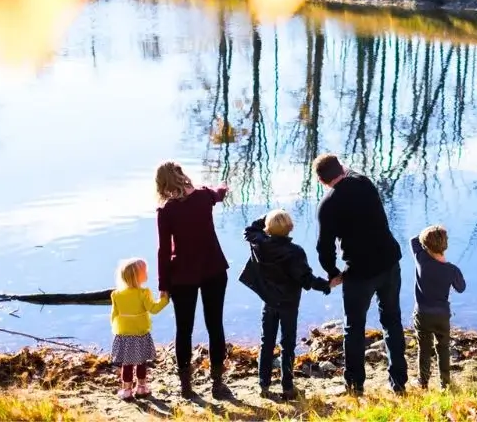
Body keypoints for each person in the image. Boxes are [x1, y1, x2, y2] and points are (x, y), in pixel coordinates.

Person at [313, 153, 408, 395]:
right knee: (392, 320)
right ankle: (399, 382)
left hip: (359, 271)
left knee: (354, 328)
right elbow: (348, 172)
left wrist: (332, 272)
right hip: (389, 261)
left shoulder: (328, 204)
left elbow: (324, 247)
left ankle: (355, 385)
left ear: (321, 181)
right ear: (341, 168)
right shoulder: (364, 182)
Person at [155, 161, 231, 399]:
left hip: (182, 275)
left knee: (184, 330)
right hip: (214, 268)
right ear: (181, 175)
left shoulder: (166, 210)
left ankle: (186, 387)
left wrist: (163, 285)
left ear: (162, 184)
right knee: (215, 325)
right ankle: (217, 384)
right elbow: (218, 194)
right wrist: (222, 186)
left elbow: (163, 250)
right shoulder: (204, 196)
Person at [241, 209, 331, 400]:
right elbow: (306, 279)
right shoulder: (295, 252)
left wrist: (269, 217)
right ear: (290, 228)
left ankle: (263, 385)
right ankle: (287, 387)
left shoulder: (259, 243)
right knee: (288, 344)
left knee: (267, 342)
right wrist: (325, 285)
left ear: (267, 228)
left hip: (269, 300)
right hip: (289, 303)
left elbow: (250, 228)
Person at [411, 225, 466, 390]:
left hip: (422, 314)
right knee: (443, 348)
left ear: (425, 245)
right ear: (445, 245)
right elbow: (461, 288)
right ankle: (445, 384)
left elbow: (413, 240)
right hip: (442, 316)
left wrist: (429, 234)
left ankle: (423, 382)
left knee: (424, 348)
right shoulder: (452, 270)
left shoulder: (421, 259)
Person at [110, 258, 169, 400]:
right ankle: (141, 388)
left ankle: (126, 390)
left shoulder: (116, 294)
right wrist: (164, 299)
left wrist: (117, 331)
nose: (147, 273)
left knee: (127, 364)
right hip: (141, 334)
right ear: (137, 276)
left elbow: (114, 315)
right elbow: (153, 309)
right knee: (141, 362)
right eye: (144, 271)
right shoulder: (144, 293)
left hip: (124, 335)